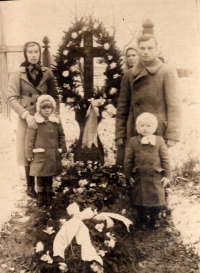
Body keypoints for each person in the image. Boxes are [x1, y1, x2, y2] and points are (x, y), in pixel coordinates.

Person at [115, 34, 181, 166]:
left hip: (157, 131)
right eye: (142, 48)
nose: (146, 52)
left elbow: (174, 106)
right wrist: (120, 132)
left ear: (157, 49)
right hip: (134, 130)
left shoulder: (167, 71)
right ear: (138, 50)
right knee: (133, 170)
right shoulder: (129, 74)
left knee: (156, 171)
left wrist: (172, 134)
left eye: (150, 48)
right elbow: (122, 107)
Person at [7, 41, 60, 198]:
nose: (34, 55)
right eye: (30, 52)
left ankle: (46, 187)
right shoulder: (18, 73)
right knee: (27, 150)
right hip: (27, 118)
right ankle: (30, 187)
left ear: (39, 54)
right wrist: (26, 115)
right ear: (25, 54)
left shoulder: (47, 72)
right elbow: (11, 98)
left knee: (44, 150)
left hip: (45, 118)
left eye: (36, 51)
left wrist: (55, 114)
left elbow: (55, 95)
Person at [124, 112, 171, 229]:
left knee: (156, 198)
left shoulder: (159, 140)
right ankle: (142, 219)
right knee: (140, 199)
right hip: (140, 175)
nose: (145, 128)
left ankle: (154, 219)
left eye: (148, 126)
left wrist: (167, 175)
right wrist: (128, 175)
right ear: (137, 127)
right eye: (142, 125)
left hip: (155, 176)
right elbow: (128, 159)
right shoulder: (133, 141)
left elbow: (165, 159)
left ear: (154, 128)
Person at [25, 95, 67, 207]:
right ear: (39, 109)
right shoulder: (35, 122)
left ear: (52, 108)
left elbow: (61, 135)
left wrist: (63, 148)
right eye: (44, 108)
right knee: (40, 175)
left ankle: (48, 193)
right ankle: (40, 194)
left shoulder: (56, 121)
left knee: (49, 174)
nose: (47, 110)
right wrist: (29, 153)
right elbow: (29, 139)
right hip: (40, 154)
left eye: (49, 107)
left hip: (52, 155)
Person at [116, 46, 138, 166]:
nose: (131, 58)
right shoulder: (124, 74)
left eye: (134, 55)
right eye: (128, 56)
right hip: (128, 118)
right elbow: (122, 102)